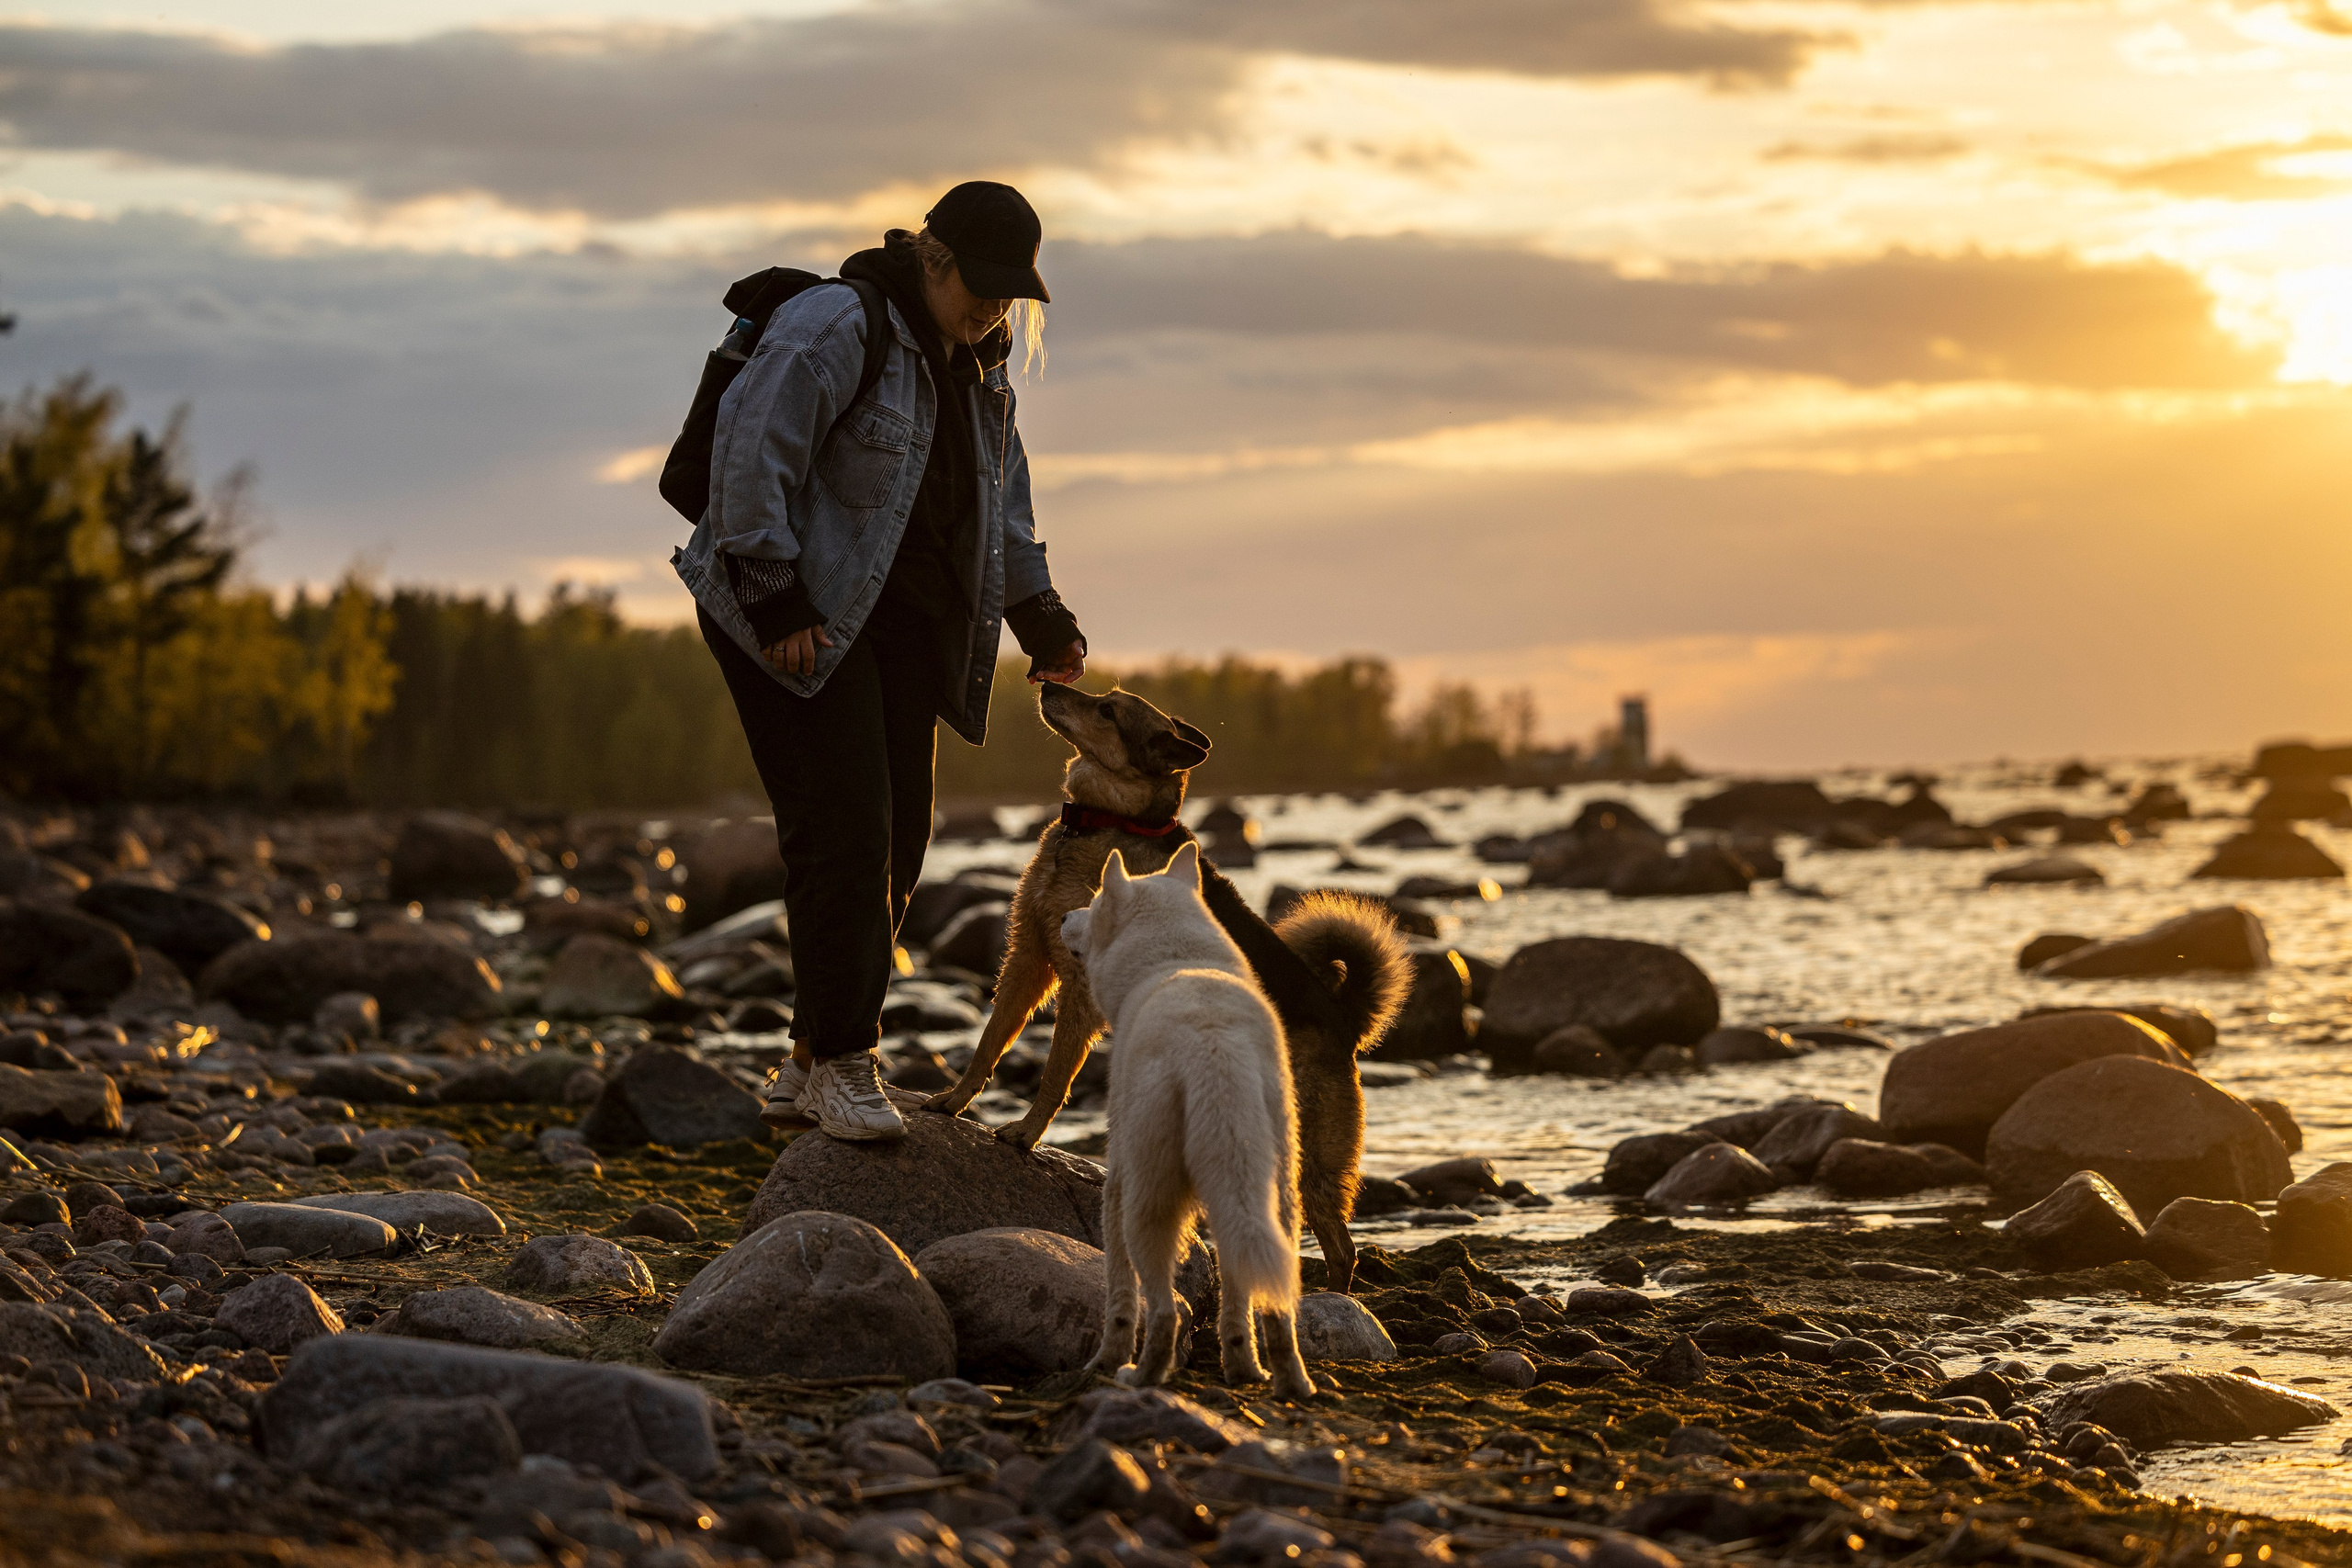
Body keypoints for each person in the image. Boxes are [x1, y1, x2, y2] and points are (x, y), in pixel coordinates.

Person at [672, 181, 1085, 1142]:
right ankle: (847, 1062)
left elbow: (1004, 513)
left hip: (898, 631)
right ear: (932, 258)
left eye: (1009, 291)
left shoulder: (982, 371)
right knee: (845, 832)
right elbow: (747, 454)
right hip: (793, 613)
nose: (993, 305)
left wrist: (1044, 620)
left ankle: (809, 1061)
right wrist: (774, 595)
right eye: (978, 283)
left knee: (899, 846)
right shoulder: (837, 322)